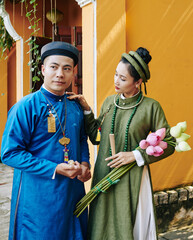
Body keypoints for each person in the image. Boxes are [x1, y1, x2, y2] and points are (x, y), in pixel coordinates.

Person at [68, 47, 175, 240]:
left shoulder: (151, 107)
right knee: (102, 222)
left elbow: (170, 143)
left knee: (129, 223)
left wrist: (135, 155)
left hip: (132, 176)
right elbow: (96, 136)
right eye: (116, 75)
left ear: (138, 82)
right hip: (104, 173)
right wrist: (86, 110)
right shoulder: (109, 102)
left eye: (123, 79)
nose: (116, 81)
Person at [1, 41, 91, 240]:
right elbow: (9, 153)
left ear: (73, 73)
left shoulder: (75, 106)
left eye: (67, 68)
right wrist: (55, 168)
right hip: (38, 195)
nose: (60, 74)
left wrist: (85, 164)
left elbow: (82, 138)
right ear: (43, 69)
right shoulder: (26, 107)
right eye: (54, 67)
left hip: (72, 191)